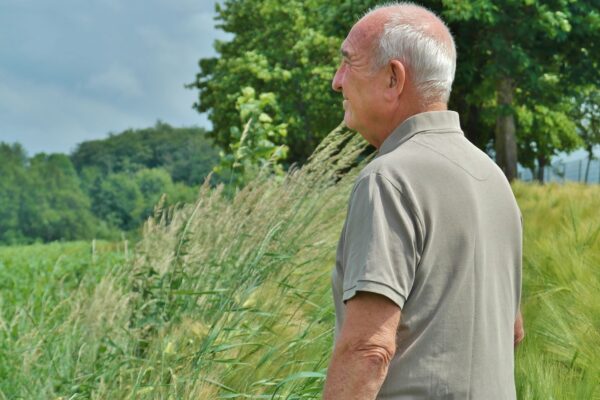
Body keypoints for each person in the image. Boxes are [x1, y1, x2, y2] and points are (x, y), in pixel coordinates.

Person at [324, 3, 524, 399]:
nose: (337, 81)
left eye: (349, 63)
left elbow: (369, 349)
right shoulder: (493, 178)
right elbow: (512, 331)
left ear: (393, 79)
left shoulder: (389, 179)